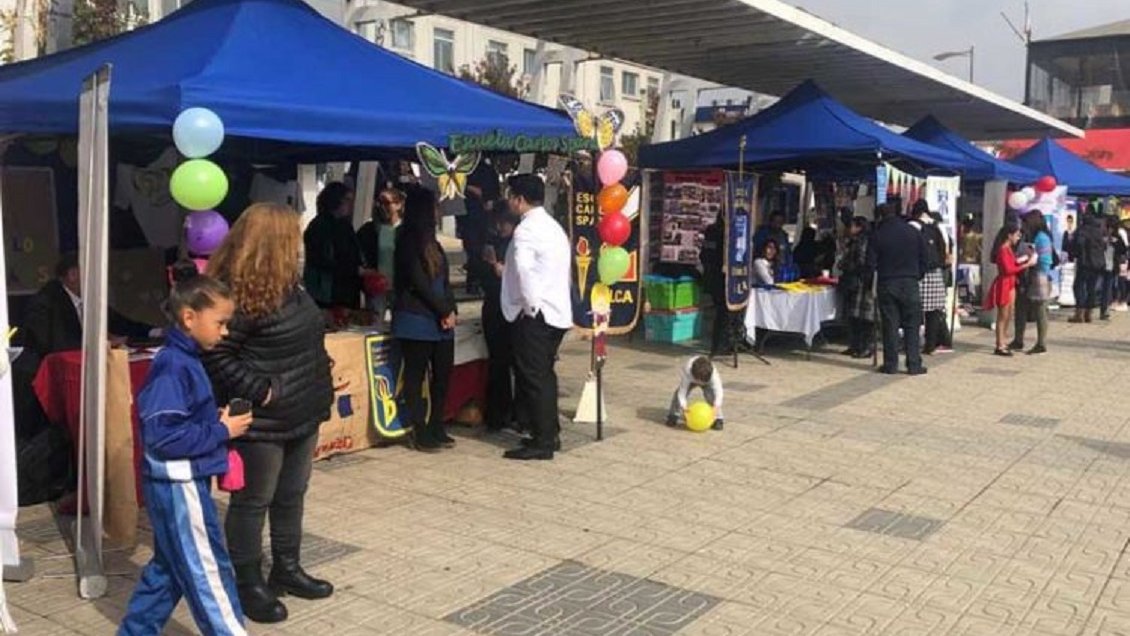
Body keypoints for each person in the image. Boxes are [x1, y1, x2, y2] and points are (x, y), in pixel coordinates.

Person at [203, 203, 335, 625]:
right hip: (264, 420)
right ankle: (246, 581)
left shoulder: (289, 284)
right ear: (274, 242)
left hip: (304, 409)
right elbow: (217, 354)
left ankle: (287, 567)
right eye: (293, 237)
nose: (299, 244)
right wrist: (260, 390)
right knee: (253, 501)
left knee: (292, 494)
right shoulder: (234, 293)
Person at [119, 275, 252, 636]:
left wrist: (215, 422)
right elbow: (164, 435)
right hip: (180, 484)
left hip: (175, 482)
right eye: (221, 323)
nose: (224, 332)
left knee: (169, 569)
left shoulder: (181, 359)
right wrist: (222, 431)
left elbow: (176, 422)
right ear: (190, 317)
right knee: (208, 569)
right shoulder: (174, 365)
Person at [500, 174, 571, 461]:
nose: (508, 201)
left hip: (537, 313)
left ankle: (543, 439)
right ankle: (548, 432)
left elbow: (526, 272)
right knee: (544, 374)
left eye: (510, 195)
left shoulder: (526, 230)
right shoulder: (552, 225)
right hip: (555, 310)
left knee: (534, 377)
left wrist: (530, 308)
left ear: (519, 199)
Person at [391, 185, 457, 452]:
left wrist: (451, 310)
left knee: (442, 375)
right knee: (416, 376)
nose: (438, 211)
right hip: (417, 317)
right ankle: (419, 428)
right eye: (435, 207)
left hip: (441, 320)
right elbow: (419, 282)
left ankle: (437, 423)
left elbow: (445, 281)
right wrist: (442, 310)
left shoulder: (435, 242)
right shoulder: (406, 239)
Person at [22, 252, 162, 358]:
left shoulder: (88, 299)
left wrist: (155, 331)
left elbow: (119, 322)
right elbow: (56, 345)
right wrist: (103, 343)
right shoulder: (46, 302)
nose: (99, 278)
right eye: (93, 271)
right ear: (73, 275)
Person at [471, 202, 519, 432]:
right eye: (497, 223)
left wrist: (500, 269)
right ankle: (498, 412)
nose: (500, 227)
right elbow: (481, 274)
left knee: (516, 362)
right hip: (494, 306)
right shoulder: (494, 242)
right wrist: (486, 264)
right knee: (497, 362)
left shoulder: (520, 243)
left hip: (513, 309)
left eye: (504, 223)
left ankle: (518, 412)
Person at [868, 203, 928, 375]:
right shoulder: (913, 232)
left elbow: (870, 264)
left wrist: (869, 284)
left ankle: (891, 364)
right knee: (912, 325)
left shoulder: (878, 235)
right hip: (910, 282)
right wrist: (917, 275)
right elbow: (925, 259)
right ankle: (914, 364)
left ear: (879, 217)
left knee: (890, 325)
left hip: (887, 283)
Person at [303, 182, 363, 310]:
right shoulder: (319, 226)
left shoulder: (345, 225)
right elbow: (320, 258)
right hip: (326, 289)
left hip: (346, 287)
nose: (350, 205)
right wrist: (352, 269)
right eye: (346, 200)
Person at [984, 223, 1037, 356]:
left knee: (1008, 315)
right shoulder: (1003, 249)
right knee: (1003, 315)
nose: (1018, 238)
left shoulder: (1007, 249)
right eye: (1016, 235)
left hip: (1010, 283)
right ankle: (1000, 344)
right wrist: (1026, 264)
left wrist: (1021, 260)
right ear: (1009, 235)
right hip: (1004, 283)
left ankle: (1003, 341)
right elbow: (1008, 269)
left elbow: (1011, 265)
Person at [1010, 212, 1054, 355]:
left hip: (1038, 276)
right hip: (1025, 275)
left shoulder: (1042, 238)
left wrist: (1028, 260)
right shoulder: (1027, 236)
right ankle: (1018, 339)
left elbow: (1046, 260)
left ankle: (1041, 343)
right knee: (1020, 308)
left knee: (1040, 310)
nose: (1023, 226)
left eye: (1025, 223)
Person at [356, 187, 403, 320]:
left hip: (399, 286)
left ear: (399, 205)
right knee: (375, 322)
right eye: (379, 203)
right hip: (376, 286)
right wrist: (365, 271)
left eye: (387, 203)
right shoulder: (368, 230)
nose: (382, 207)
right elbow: (357, 254)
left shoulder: (406, 231)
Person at [909, 201, 949, 355]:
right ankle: (930, 345)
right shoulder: (936, 227)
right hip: (935, 272)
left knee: (914, 310)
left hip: (918, 272)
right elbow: (943, 249)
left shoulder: (913, 226)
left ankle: (911, 343)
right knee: (933, 312)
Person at [460, 160, 501, 295]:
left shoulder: (484, 170)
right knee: (475, 250)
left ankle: (477, 281)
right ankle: (475, 281)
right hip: (471, 216)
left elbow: (492, 195)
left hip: (480, 216)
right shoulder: (466, 169)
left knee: (479, 249)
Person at [837, 217, 875, 359]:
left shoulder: (862, 242)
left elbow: (861, 262)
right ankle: (855, 345)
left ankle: (865, 346)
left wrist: (846, 265)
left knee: (863, 317)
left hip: (861, 282)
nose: (849, 229)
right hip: (855, 281)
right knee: (853, 316)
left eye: (852, 226)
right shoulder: (853, 241)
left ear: (859, 227)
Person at [699, 213, 733, 358]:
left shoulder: (711, 231)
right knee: (723, 312)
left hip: (711, 275)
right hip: (720, 276)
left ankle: (719, 345)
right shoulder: (723, 233)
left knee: (720, 311)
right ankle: (719, 346)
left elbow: (704, 254)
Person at [666, 356, 724, 431]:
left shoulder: (713, 376)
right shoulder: (687, 370)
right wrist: (684, 407)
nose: (700, 383)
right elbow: (682, 391)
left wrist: (716, 406)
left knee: (712, 396)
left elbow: (719, 392)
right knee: (677, 395)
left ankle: (718, 418)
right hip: (691, 380)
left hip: (707, 382)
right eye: (699, 380)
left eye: (702, 381)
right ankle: (673, 415)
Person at [1070, 214, 1107, 323]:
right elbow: (1104, 247)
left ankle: (1079, 313)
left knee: (1078, 287)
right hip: (1097, 264)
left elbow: (1076, 245)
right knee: (1092, 288)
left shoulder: (1081, 231)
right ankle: (1088, 313)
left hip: (1084, 263)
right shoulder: (1099, 232)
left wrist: (1074, 255)